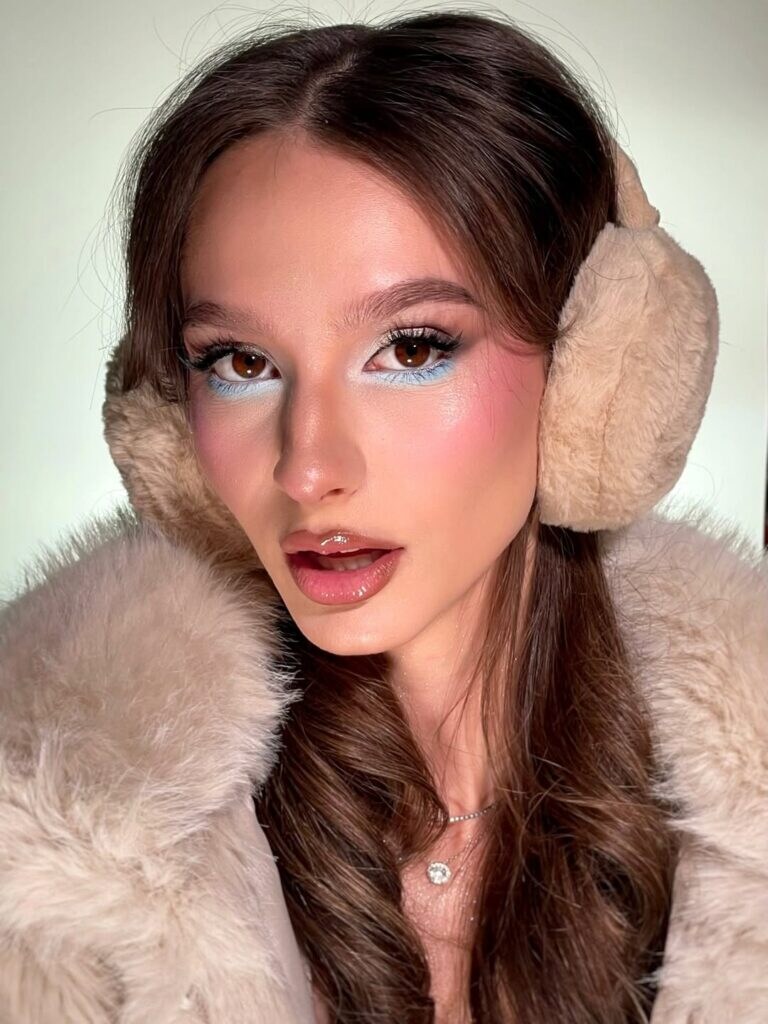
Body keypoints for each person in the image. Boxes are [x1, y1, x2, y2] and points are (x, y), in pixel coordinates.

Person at [0, 10, 765, 1024]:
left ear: (595, 374)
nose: (310, 467)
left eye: (410, 349)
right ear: (169, 427)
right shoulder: (51, 853)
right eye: (241, 362)